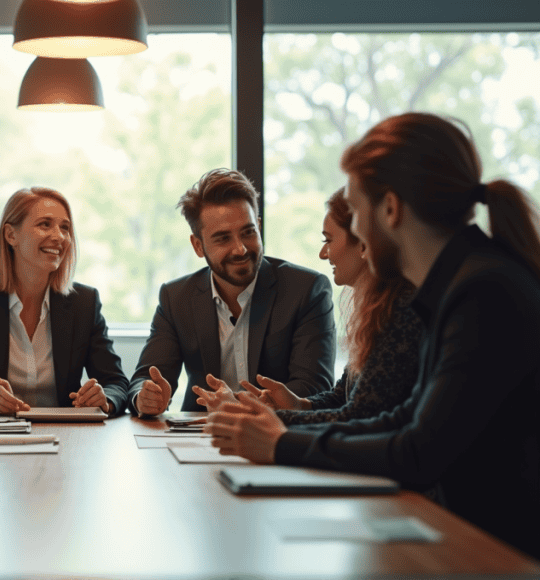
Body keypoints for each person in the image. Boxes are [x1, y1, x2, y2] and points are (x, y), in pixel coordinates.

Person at [204, 112, 540, 558]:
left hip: (496, 552)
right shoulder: (460, 284)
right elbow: (404, 420)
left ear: (391, 209)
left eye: (358, 212)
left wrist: (282, 442)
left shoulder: (482, 292)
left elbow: (418, 453)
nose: (358, 231)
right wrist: (280, 436)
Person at [195, 188, 422, 425]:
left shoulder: (399, 311)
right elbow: (342, 397)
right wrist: (299, 405)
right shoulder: (377, 310)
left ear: (364, 243)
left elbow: (358, 417)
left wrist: (258, 417)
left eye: (328, 240)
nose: (324, 254)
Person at [128, 168, 336, 416]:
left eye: (248, 232)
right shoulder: (176, 298)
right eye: (223, 238)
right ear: (198, 245)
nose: (240, 249)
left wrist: (238, 406)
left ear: (259, 227)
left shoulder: (307, 290)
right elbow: (146, 377)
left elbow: (314, 388)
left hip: (279, 439)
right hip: (200, 437)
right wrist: (146, 397)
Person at [0, 186, 130, 415]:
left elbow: (117, 384)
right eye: (44, 224)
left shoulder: (84, 303)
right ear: (11, 235)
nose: (58, 237)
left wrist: (104, 398)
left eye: (65, 228)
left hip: (68, 437)